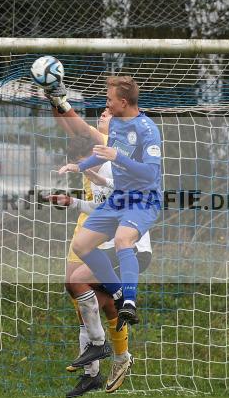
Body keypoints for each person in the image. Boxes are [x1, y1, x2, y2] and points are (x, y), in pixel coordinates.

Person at [55, 75, 162, 369]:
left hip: (136, 218)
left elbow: (150, 175)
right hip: (117, 210)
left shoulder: (144, 130)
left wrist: (58, 99)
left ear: (123, 102)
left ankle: (118, 326)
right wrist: (79, 170)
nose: (105, 108)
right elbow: (102, 184)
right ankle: (105, 349)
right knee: (79, 264)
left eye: (108, 104)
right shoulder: (113, 133)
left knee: (87, 284)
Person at [47, 134, 152, 397]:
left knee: (76, 280)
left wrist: (101, 178)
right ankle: (115, 360)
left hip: (132, 248)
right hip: (111, 249)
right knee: (99, 301)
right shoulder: (98, 174)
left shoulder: (114, 167)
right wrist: (72, 203)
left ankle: (100, 344)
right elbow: (103, 208)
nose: (85, 169)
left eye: (85, 163)